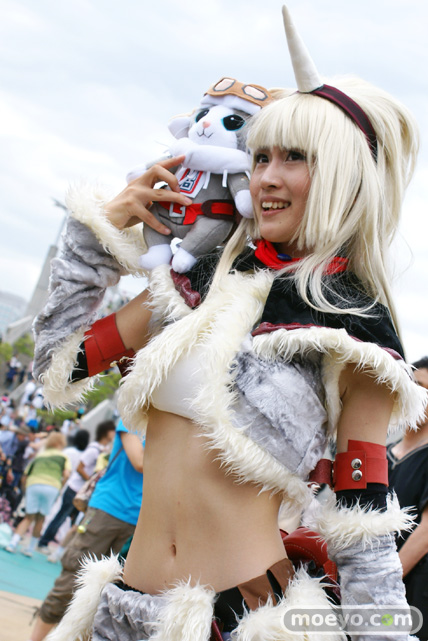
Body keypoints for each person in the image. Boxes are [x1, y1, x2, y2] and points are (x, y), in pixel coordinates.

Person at [31, 7, 427, 641]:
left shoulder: (356, 329)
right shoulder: (197, 284)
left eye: (294, 157)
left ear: (344, 176)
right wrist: (96, 234)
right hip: (121, 613)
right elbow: (59, 362)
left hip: (238, 622)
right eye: (260, 156)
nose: (266, 176)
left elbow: (363, 528)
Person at [29, 418, 144, 641]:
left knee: (106, 596)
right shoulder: (133, 418)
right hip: (107, 510)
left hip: (138, 520)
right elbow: (139, 461)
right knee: (72, 580)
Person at [388, 356, 428, 640]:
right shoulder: (380, 453)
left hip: (411, 590)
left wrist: (382, 583)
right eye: (414, 385)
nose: (418, 395)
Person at [37, 421, 114, 552]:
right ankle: (44, 543)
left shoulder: (102, 450)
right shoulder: (94, 450)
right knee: (62, 517)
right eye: (112, 431)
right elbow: (79, 467)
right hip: (75, 489)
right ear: (106, 432)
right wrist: (91, 481)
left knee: (75, 523)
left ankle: (62, 550)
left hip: (82, 491)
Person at [5, 431, 71, 556]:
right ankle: (30, 549)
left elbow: (26, 474)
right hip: (52, 487)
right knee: (40, 519)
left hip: (34, 484)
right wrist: (59, 487)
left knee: (28, 517)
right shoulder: (63, 457)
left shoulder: (41, 455)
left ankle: (13, 543)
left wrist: (25, 489)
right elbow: (66, 474)